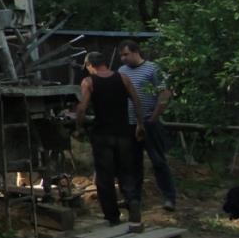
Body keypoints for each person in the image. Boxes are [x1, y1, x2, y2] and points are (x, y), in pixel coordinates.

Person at [75, 51, 146, 225]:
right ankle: (132, 199)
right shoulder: (123, 78)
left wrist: (78, 128)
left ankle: (112, 216)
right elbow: (136, 100)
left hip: (102, 135)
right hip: (124, 133)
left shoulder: (89, 81)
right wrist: (140, 124)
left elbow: (81, 108)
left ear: (90, 65)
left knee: (105, 176)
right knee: (126, 170)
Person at [118, 39, 177, 212]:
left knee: (158, 162)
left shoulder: (153, 69)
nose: (123, 58)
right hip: (130, 124)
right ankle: (133, 199)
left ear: (136, 52)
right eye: (121, 55)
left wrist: (153, 118)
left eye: (126, 54)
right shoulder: (122, 71)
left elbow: (166, 93)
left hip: (150, 123)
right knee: (133, 163)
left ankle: (169, 198)